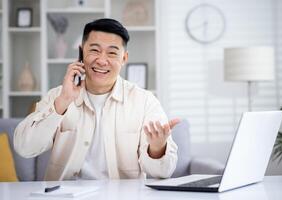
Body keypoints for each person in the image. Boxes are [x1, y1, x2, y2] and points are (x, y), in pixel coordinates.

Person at [14, 18, 179, 181]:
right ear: (81, 52)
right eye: (94, 50)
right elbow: (24, 147)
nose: (101, 60)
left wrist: (157, 149)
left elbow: (163, 172)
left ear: (124, 59)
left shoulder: (144, 101)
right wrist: (63, 101)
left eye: (112, 53)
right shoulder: (58, 96)